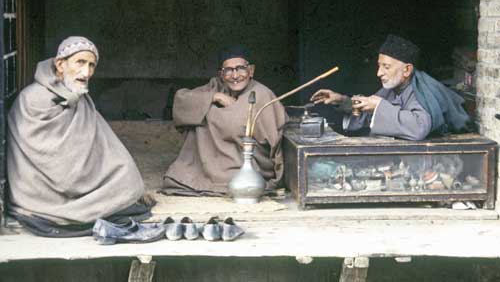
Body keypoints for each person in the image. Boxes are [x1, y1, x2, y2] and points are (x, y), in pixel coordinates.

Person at [7, 36, 151, 237]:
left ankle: (90, 200)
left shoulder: (78, 95)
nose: (87, 72)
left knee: (127, 174)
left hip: (78, 175)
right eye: (80, 62)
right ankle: (82, 206)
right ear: (60, 64)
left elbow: (102, 143)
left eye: (92, 65)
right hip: (43, 188)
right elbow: (51, 158)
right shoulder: (32, 99)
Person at [162, 46, 287, 196]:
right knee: (201, 111)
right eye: (228, 70)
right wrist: (214, 97)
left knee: (208, 113)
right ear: (221, 74)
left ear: (251, 70)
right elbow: (183, 99)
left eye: (241, 68)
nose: (235, 75)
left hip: (247, 164)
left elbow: (274, 141)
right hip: (210, 164)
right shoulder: (217, 87)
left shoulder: (262, 94)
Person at [311, 34, 470, 140]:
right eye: (379, 66)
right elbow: (369, 110)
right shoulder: (392, 88)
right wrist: (342, 100)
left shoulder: (420, 92)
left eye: (386, 67)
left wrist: (379, 106)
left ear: (407, 70)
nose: (379, 73)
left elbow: (419, 127)